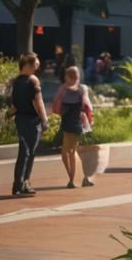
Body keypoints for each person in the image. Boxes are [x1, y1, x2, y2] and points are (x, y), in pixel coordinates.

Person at [8, 53, 49, 196]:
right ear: (28, 65)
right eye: (34, 65)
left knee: (22, 152)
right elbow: (39, 102)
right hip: (32, 120)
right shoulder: (33, 80)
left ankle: (17, 184)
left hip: (20, 119)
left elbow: (11, 103)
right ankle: (25, 183)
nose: (35, 68)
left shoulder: (15, 81)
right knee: (30, 153)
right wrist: (44, 120)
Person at [51, 65, 95, 188]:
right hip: (79, 123)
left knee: (67, 151)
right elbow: (88, 107)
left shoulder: (62, 90)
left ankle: (72, 178)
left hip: (68, 123)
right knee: (74, 151)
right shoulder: (82, 89)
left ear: (67, 77)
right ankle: (81, 178)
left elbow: (55, 109)